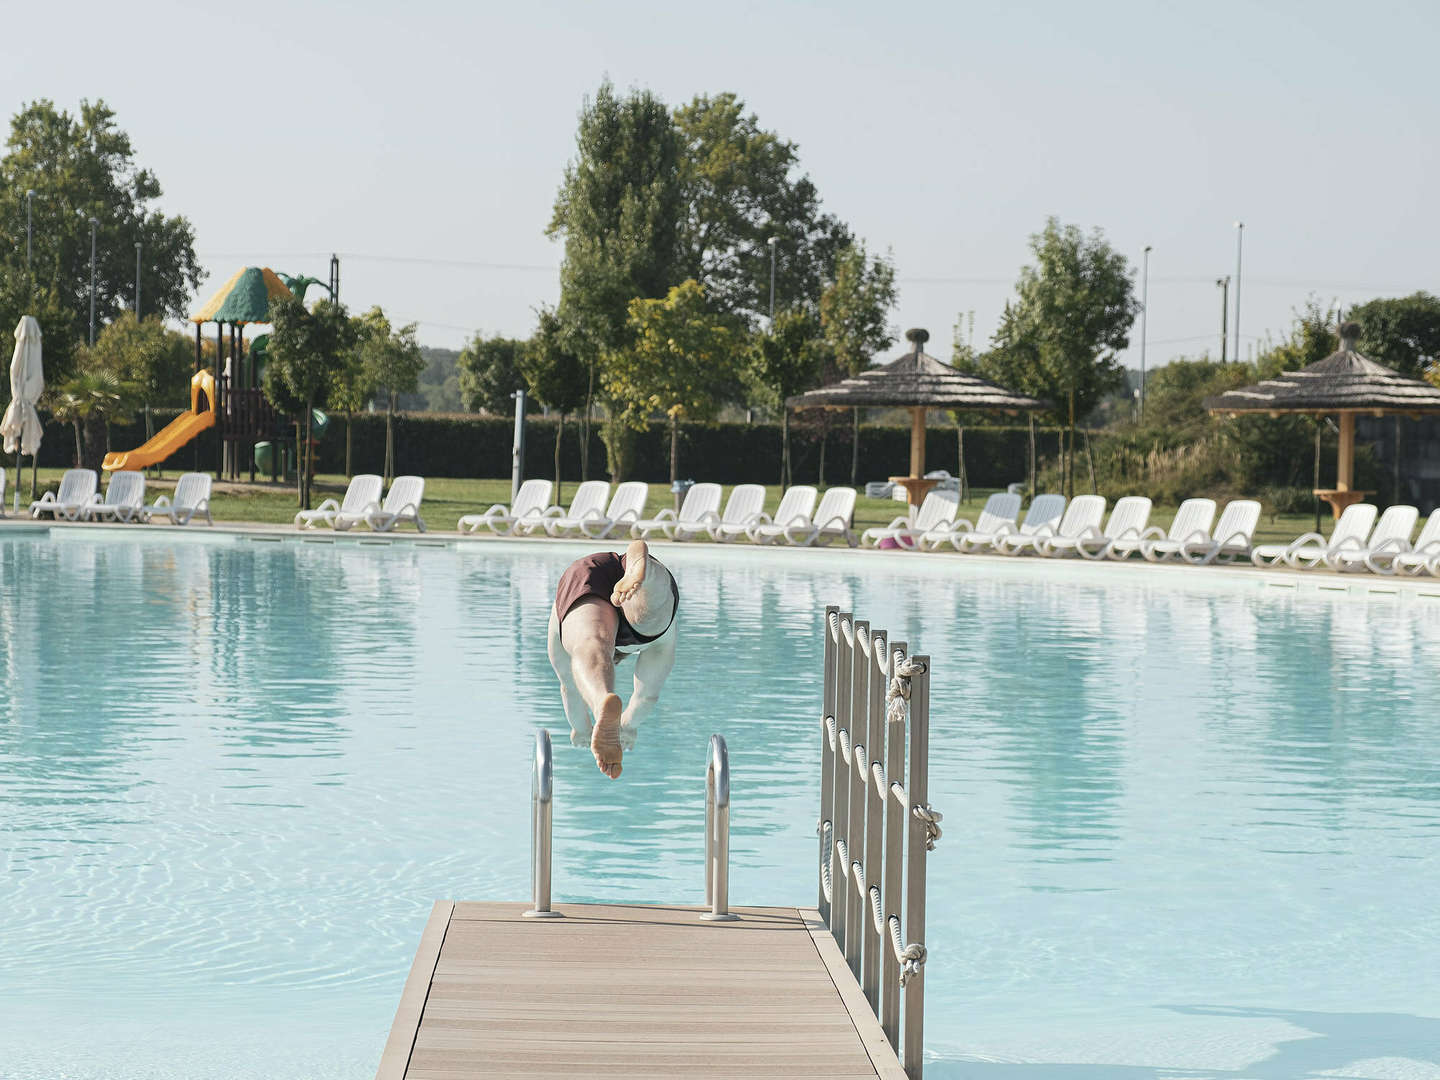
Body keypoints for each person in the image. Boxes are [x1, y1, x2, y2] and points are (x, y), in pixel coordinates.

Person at [547, 539, 678, 779]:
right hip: (604, 571)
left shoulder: (560, 623)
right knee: (648, 612)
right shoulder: (658, 642)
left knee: (591, 642)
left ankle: (600, 700)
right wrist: (628, 727)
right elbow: (646, 695)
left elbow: (570, 690)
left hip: (585, 578)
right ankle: (644, 569)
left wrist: (582, 731)